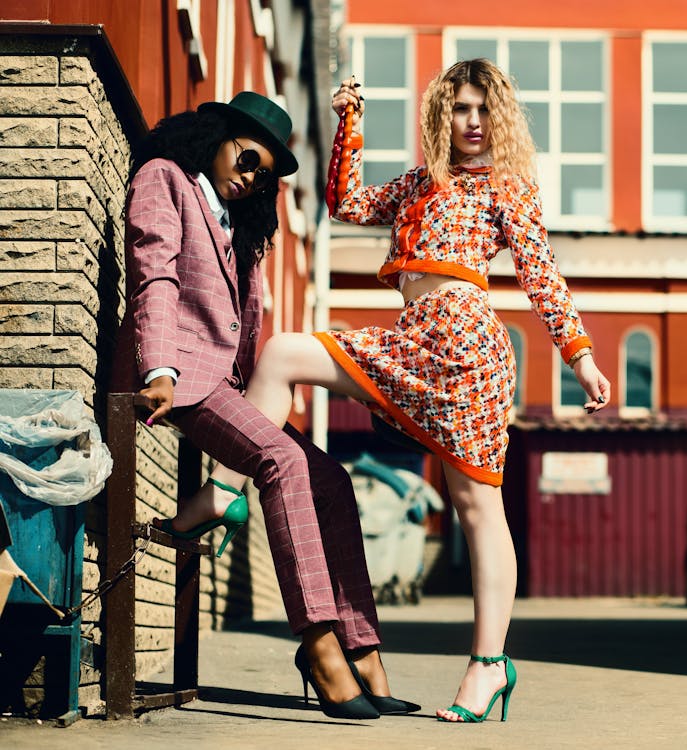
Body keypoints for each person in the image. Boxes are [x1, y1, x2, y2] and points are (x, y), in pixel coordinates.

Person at [187, 58, 613, 722]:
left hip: (467, 351)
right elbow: (346, 204)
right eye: (459, 109)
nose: (471, 122)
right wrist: (350, 123)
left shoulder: (509, 187)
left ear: (497, 117)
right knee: (283, 354)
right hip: (409, 337)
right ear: (442, 115)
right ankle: (224, 493)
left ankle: (487, 666)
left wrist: (579, 357)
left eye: (482, 110)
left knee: (477, 512)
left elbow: (542, 277)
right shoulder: (419, 183)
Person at [111, 91, 417, 721]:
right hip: (176, 379)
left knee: (332, 479)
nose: (249, 175)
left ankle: (363, 649)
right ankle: (317, 645)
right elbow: (154, 275)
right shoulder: (165, 178)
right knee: (282, 459)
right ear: (217, 136)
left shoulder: (238, 225)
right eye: (245, 156)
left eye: (262, 173)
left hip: (225, 387)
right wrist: (159, 369)